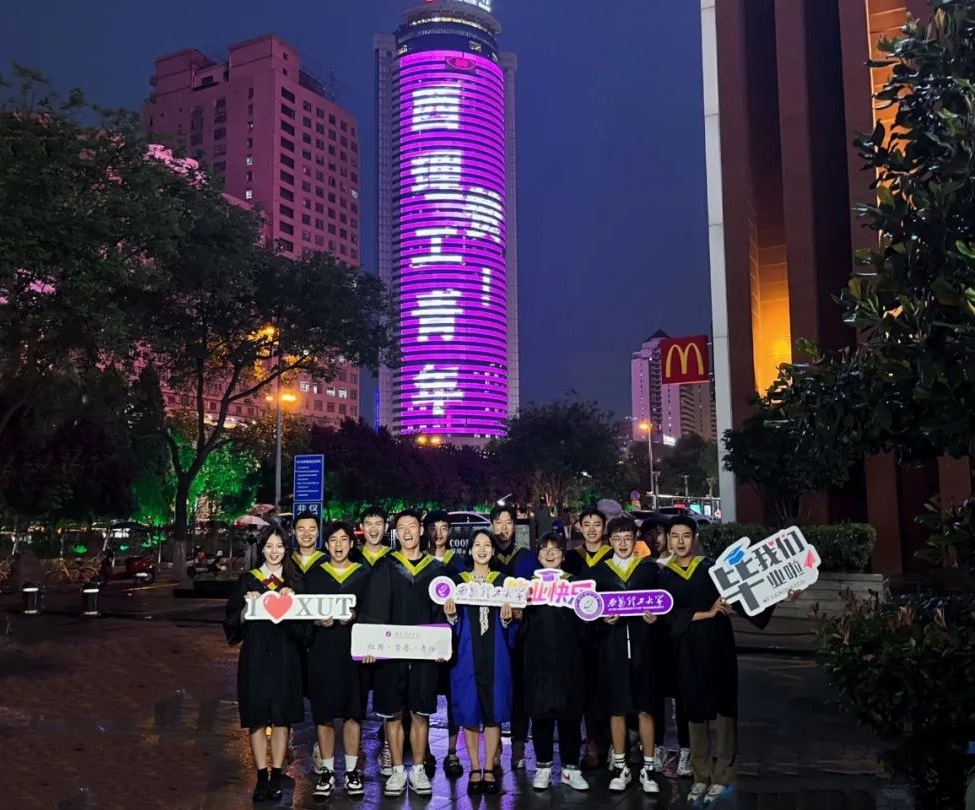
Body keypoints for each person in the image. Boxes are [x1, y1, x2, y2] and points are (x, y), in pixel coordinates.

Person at [658, 516, 777, 806]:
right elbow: (667, 617)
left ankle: (723, 774)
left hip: (717, 647)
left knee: (724, 709)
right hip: (686, 651)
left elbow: (746, 596)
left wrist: (778, 594)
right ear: (668, 540)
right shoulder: (663, 576)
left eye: (686, 535)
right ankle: (701, 775)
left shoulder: (713, 569)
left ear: (695, 538)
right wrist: (706, 614)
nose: (680, 542)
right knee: (693, 710)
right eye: (675, 536)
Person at [360, 510, 446, 797]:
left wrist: (442, 645)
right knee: (393, 712)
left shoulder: (436, 570)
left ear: (421, 530)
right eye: (401, 527)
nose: (407, 532)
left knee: (420, 712)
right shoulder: (385, 566)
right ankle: (397, 770)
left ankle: (418, 769)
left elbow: (440, 613)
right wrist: (370, 645)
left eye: (412, 526)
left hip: (423, 654)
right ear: (395, 533)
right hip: (391, 653)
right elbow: (373, 609)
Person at [223, 525, 304, 802]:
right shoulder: (249, 581)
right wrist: (247, 610)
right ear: (262, 550)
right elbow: (232, 622)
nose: (274, 551)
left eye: (279, 546)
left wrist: (293, 605)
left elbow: (305, 629)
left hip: (285, 657)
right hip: (255, 657)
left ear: (286, 549)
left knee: (281, 717)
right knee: (256, 716)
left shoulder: (295, 582)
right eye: (269, 546)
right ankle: (261, 777)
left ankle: (277, 774)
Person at [443, 529, 519, 796]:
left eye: (487, 545)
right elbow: (451, 625)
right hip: (467, 653)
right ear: (470, 550)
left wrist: (508, 620)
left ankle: (489, 767)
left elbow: (513, 628)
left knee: (493, 711)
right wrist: (451, 617)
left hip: (496, 653)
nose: (482, 549)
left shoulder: (505, 583)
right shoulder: (458, 584)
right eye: (477, 545)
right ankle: (474, 767)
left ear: (494, 551)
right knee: (470, 710)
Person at [592, 516, 662, 795]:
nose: (622, 544)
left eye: (628, 538)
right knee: (617, 708)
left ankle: (648, 768)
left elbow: (663, 604)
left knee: (646, 708)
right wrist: (603, 620)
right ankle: (620, 767)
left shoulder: (649, 570)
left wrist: (655, 619)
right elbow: (589, 611)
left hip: (644, 649)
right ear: (610, 541)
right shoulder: (600, 573)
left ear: (635, 540)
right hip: (614, 649)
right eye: (617, 539)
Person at [304, 521, 371, 801]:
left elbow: (373, 612)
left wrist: (355, 617)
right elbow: (303, 614)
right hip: (323, 651)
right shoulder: (314, 576)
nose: (339, 545)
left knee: (353, 713)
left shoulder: (364, 575)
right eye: (333, 540)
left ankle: (353, 772)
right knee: (324, 713)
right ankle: (327, 772)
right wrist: (317, 621)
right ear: (326, 545)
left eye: (344, 540)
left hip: (353, 652)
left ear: (351, 544)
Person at [521, 532, 589, 792]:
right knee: (540, 715)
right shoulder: (526, 587)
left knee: (570, 715)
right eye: (545, 549)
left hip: (569, 658)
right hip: (537, 658)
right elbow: (520, 627)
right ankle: (543, 767)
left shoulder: (576, 585)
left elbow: (586, 624)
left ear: (563, 555)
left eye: (555, 549)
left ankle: (571, 768)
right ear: (538, 555)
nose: (550, 554)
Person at [562, 506, 611, 769]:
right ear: (579, 527)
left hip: (609, 632)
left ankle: (614, 744)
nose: (592, 530)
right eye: (587, 524)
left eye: (597, 524)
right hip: (579, 634)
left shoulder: (613, 556)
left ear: (604, 527)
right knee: (586, 690)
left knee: (609, 688)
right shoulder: (570, 558)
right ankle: (592, 744)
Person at [489, 503, 534, 770]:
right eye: (499, 523)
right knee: (494, 689)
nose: (504, 528)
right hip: (494, 634)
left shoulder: (527, 557)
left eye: (508, 523)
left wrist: (523, 612)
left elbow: (537, 593)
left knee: (520, 691)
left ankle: (518, 746)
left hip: (521, 635)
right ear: (492, 526)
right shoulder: (485, 556)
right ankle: (493, 748)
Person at [354, 505, 395, 777]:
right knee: (355, 699)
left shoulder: (394, 559)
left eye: (378, 523)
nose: (373, 529)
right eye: (368, 523)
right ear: (362, 527)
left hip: (386, 638)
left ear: (385, 527)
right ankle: (354, 751)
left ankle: (388, 748)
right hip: (357, 638)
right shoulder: (352, 557)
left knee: (388, 698)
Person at [423, 509, 464, 779]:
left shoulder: (458, 563)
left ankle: (451, 752)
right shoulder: (418, 560)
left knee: (453, 696)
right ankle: (424, 751)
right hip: (424, 638)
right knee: (424, 695)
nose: (438, 533)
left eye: (444, 527)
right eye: (433, 527)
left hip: (451, 636)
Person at [292, 511, 326, 575]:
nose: (306, 534)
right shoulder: (286, 560)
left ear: (318, 532)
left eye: (312, 529)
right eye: (301, 529)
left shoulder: (328, 562)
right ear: (294, 532)